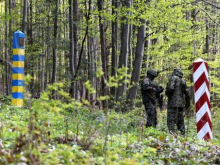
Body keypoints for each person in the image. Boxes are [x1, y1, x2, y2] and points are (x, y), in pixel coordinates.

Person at [165, 68, 190, 135]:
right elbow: (187, 94)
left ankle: (172, 136)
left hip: (172, 104)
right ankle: (182, 136)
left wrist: (167, 94)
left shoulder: (173, 78)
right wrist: (187, 105)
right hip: (181, 105)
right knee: (180, 121)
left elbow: (170, 88)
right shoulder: (183, 81)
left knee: (171, 121)